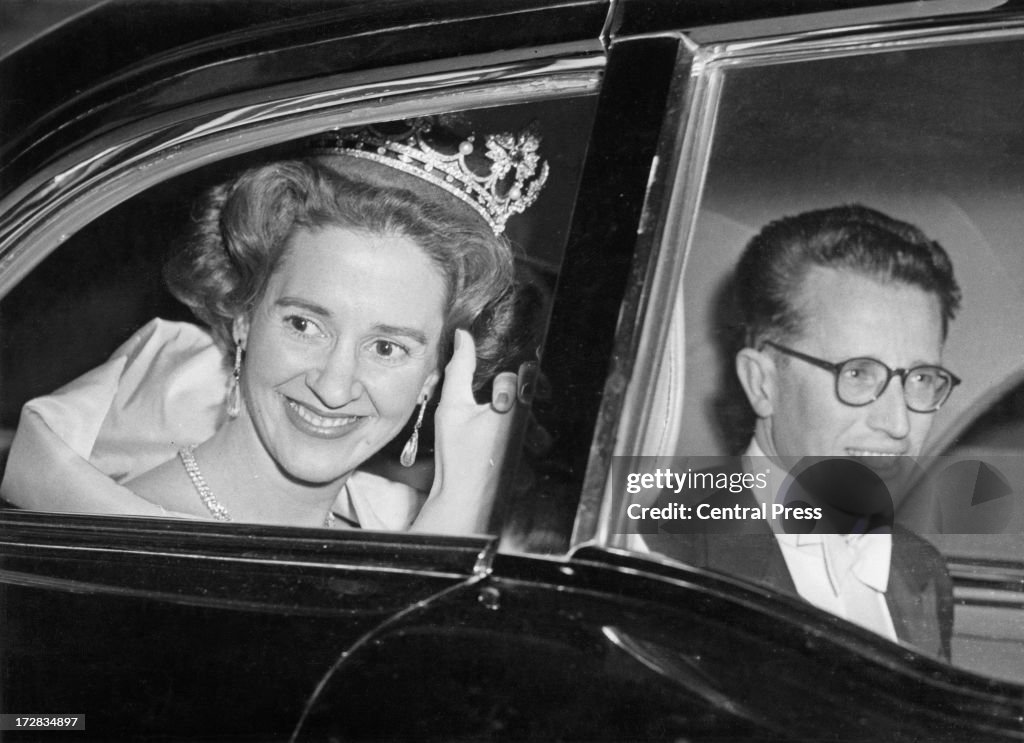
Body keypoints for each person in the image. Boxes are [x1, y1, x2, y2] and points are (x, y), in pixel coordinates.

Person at [0, 117, 549, 535]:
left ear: (435, 377)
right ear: (242, 316)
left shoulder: (380, 526)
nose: (334, 387)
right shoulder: (130, 545)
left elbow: (637, 507)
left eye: (386, 347)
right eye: (305, 325)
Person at [646, 205, 959, 659]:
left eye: (922, 379)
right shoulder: (663, 554)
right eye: (857, 374)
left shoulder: (922, 569)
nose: (898, 426)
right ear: (762, 383)